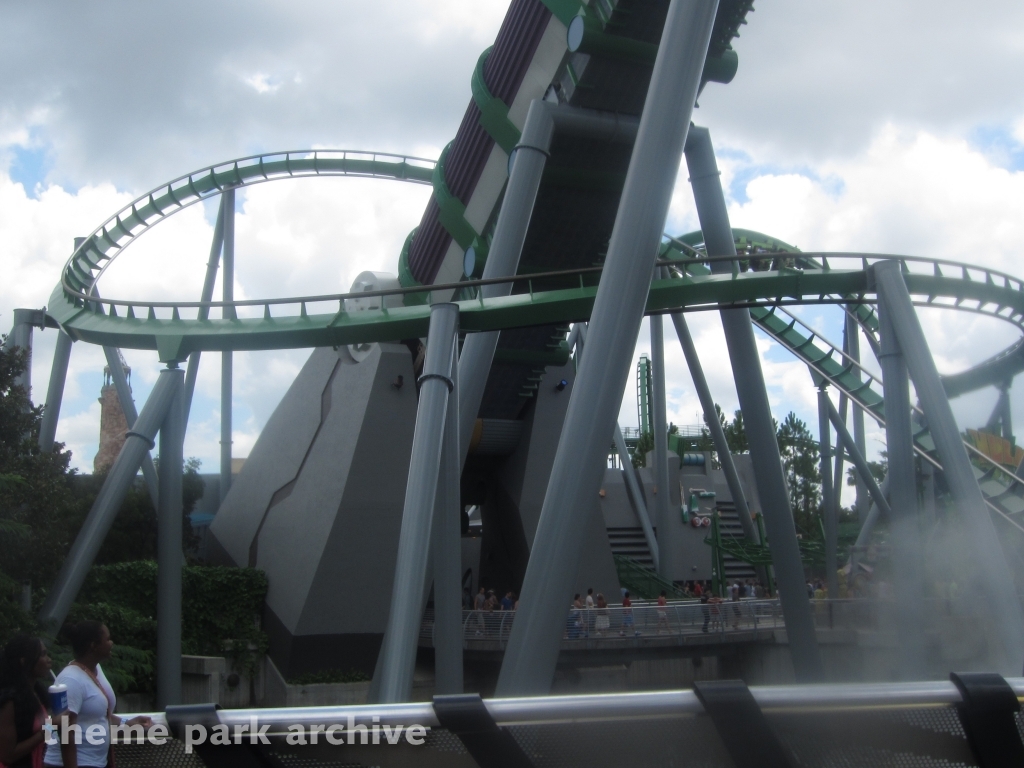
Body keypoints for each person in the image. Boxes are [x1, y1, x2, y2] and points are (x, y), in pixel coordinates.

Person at [44, 621, 152, 768]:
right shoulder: (71, 679)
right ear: (93, 646)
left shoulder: (95, 670)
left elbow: (96, 715)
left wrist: (125, 722)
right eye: (107, 639)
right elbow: (66, 730)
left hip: (94, 762)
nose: (111, 643)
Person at [0, 634, 51, 768]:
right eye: (43, 655)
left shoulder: (37, 694)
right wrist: (49, 729)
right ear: (24, 661)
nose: (48, 660)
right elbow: (7, 756)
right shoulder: (10, 700)